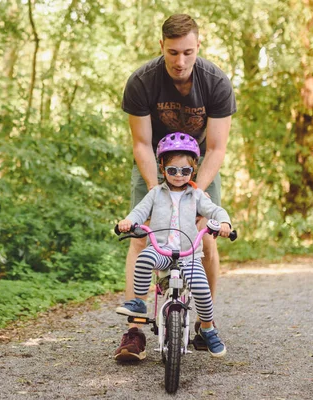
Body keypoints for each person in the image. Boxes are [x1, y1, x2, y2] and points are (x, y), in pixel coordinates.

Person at [115, 13, 236, 361]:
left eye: (187, 52)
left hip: (199, 167)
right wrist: (158, 191)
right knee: (140, 238)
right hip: (156, 165)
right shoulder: (142, 81)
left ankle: (203, 326)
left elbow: (216, 148)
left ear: (198, 46)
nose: (180, 61)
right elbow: (141, 144)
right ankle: (135, 332)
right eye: (172, 53)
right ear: (161, 47)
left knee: (206, 237)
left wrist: (194, 191)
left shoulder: (216, 83)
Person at [115, 133, 231, 359]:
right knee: (144, 258)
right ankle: (139, 303)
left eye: (185, 171)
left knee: (202, 290)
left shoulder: (197, 195)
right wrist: (129, 221)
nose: (179, 176)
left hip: (189, 255)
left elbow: (215, 210)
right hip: (161, 251)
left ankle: (207, 329)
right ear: (162, 167)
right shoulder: (155, 194)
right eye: (172, 171)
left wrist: (224, 222)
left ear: (193, 169)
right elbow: (139, 211)